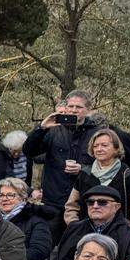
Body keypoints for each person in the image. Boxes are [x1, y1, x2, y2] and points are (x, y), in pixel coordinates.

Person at [23, 90, 98, 221]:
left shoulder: (96, 134)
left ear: (88, 110)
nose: (74, 110)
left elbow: (106, 166)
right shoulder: (53, 130)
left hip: (84, 202)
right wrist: (41, 128)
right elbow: (29, 151)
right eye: (70, 106)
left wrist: (83, 169)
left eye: (79, 107)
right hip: (53, 202)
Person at [62, 126, 130, 230]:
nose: (99, 149)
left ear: (116, 148)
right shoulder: (85, 174)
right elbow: (71, 206)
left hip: (120, 237)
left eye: (104, 145)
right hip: (87, 237)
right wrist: (75, 227)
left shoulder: (128, 175)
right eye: (96, 146)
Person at [53, 185, 130, 260]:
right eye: (90, 202)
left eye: (102, 202)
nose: (95, 206)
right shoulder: (74, 228)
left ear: (116, 207)